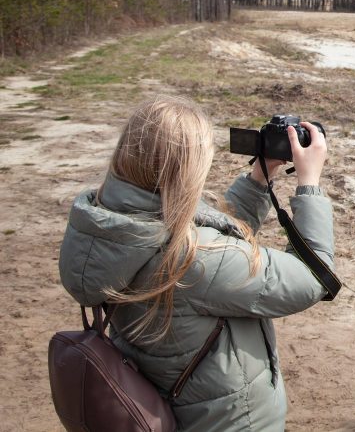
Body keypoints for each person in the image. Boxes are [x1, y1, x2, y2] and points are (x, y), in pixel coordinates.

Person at [58, 96, 334, 432]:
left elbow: (214, 231)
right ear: (186, 168)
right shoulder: (195, 257)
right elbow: (311, 277)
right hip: (227, 422)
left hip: (168, 403)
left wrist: (259, 178)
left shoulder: (110, 223)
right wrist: (309, 185)